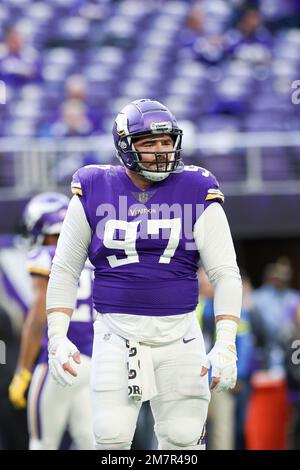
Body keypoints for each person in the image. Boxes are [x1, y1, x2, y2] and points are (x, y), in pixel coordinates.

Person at [46, 98, 242, 450]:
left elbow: (226, 272)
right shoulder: (93, 185)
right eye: (149, 143)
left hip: (179, 334)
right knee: (110, 435)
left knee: (182, 440)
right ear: (125, 146)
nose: (161, 150)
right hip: (115, 333)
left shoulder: (197, 187)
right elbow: (64, 270)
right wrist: (56, 337)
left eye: (166, 141)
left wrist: (226, 343)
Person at [8, 193, 94, 450]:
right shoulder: (90, 258)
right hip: (91, 363)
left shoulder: (45, 256)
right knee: (91, 442)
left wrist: (23, 370)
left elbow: (37, 316)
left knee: (42, 443)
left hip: (56, 362)